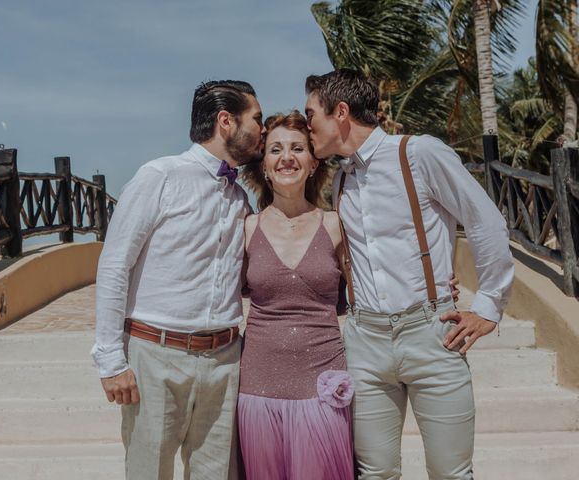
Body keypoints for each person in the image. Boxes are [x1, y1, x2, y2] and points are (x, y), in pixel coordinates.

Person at [304, 68, 514, 480]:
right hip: (366, 342)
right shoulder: (341, 179)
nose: (307, 123)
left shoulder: (418, 153)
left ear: (340, 112)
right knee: (375, 473)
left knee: (450, 473)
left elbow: (485, 222)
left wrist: (488, 307)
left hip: (431, 333)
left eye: (311, 113)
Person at [91, 79, 265, 480]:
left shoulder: (240, 199)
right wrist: (110, 360)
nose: (262, 129)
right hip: (155, 356)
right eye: (256, 119)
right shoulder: (159, 177)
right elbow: (115, 265)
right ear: (226, 121)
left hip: (224, 360)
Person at [238, 110, 355, 480]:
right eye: (275, 149)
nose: (286, 157)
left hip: (322, 380)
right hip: (257, 386)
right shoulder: (246, 227)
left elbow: (368, 292)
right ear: (265, 166)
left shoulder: (336, 224)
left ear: (312, 162)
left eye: (297, 148)